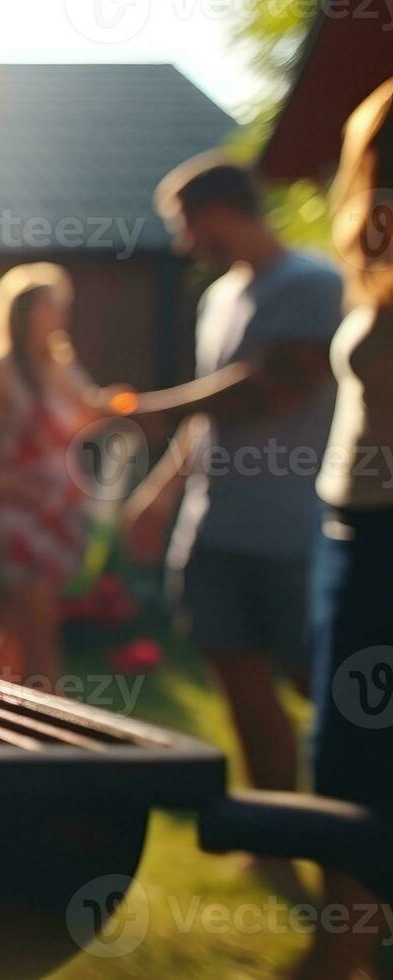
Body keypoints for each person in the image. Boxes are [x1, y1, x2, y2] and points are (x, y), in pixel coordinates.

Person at [122, 157, 345, 795]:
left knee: (321, 686)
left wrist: (150, 411)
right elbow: (208, 423)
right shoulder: (219, 299)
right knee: (242, 690)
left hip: (293, 534)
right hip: (213, 531)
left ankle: (353, 845)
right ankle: (275, 834)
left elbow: (273, 388)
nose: (186, 243)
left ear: (218, 211)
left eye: (187, 225)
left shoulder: (312, 283)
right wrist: (160, 493)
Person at [294, 79, 393, 980]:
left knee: (358, 753)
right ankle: (344, 948)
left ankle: (342, 954)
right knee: (344, 749)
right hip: (350, 535)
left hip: (380, 543)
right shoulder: (378, 272)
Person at [0, 263, 126, 683]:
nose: (61, 317)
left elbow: (92, 411)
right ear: (23, 313)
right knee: (38, 639)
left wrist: (127, 407)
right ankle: (53, 734)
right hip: (14, 520)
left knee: (16, 634)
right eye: (50, 308)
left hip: (56, 515)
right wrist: (1, 484)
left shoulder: (57, 363)